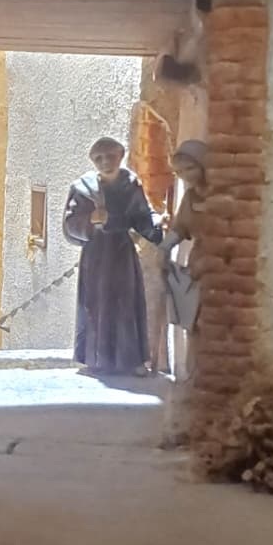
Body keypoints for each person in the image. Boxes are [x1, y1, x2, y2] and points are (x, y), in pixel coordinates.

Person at [63, 136, 163, 376]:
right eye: (99, 158)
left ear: (120, 156)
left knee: (126, 303)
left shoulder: (130, 184)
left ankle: (131, 360)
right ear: (93, 161)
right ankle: (96, 360)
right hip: (96, 255)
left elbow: (141, 216)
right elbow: (70, 224)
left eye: (110, 156)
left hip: (121, 254)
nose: (106, 162)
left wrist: (158, 228)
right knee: (95, 304)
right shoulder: (83, 188)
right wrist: (90, 219)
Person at [163, 140, 207, 384]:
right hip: (197, 261)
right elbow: (180, 227)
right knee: (193, 320)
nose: (185, 176)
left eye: (190, 168)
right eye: (180, 172)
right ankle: (194, 376)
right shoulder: (190, 197)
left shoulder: (220, 197)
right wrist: (164, 248)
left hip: (218, 263)